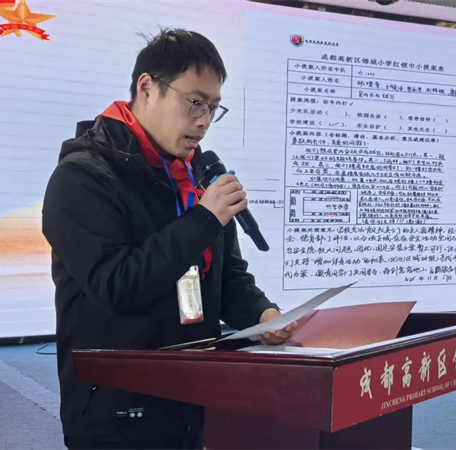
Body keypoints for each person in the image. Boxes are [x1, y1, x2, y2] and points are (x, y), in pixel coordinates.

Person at [42, 27, 295, 450]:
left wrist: (262, 314)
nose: (204, 120)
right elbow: (118, 286)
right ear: (146, 88)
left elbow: (226, 276)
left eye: (213, 107)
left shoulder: (196, 176)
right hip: (117, 407)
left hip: (193, 393)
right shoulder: (82, 177)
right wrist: (204, 218)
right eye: (195, 102)